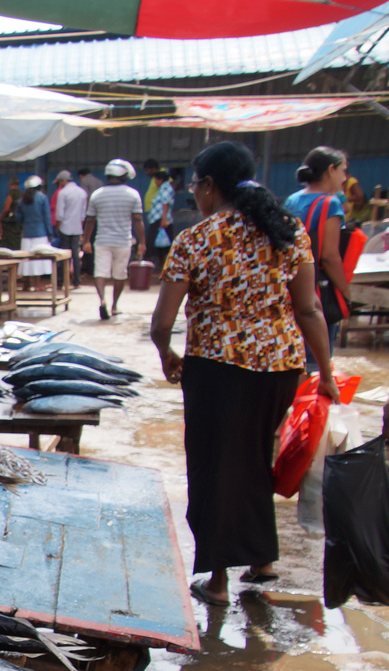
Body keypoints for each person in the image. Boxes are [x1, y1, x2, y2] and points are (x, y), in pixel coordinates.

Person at [150, 141, 341, 607]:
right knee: (257, 457)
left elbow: (161, 321)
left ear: (210, 186)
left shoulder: (195, 239)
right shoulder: (289, 232)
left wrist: (167, 353)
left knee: (216, 467)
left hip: (216, 369)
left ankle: (217, 580)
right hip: (280, 368)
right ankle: (262, 560)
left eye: (195, 186)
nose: (195, 194)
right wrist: (328, 371)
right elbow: (310, 309)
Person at [284, 146, 350, 370]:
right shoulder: (330, 203)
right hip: (317, 293)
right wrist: (346, 291)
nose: (345, 177)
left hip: (290, 290)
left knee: (295, 359)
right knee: (316, 363)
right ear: (331, 170)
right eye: (343, 170)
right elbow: (330, 257)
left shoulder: (292, 200)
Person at [83, 158, 145, 320]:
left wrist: (86, 241)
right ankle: (115, 306)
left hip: (102, 240)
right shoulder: (133, 194)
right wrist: (142, 242)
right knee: (119, 274)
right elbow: (138, 219)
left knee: (100, 272)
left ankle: (102, 300)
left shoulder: (97, 195)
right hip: (123, 241)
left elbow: (90, 220)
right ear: (124, 176)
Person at [17, 175, 54, 285]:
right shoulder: (42, 198)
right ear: (39, 186)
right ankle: (38, 285)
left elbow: (19, 218)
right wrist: (50, 233)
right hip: (40, 233)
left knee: (26, 259)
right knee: (39, 259)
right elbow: (47, 217)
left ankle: (26, 285)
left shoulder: (21, 200)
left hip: (27, 233)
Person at [54, 169, 88, 287]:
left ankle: (60, 281)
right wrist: (81, 228)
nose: (59, 184)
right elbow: (83, 213)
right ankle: (77, 281)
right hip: (77, 228)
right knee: (75, 255)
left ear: (64, 180)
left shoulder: (63, 193)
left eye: (59, 182)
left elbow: (60, 213)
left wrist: (57, 227)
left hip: (65, 227)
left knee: (64, 255)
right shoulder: (82, 192)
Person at [145, 162, 175, 270]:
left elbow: (165, 203)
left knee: (154, 244)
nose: (155, 182)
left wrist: (163, 219)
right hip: (157, 219)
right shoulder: (163, 187)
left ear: (160, 180)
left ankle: (151, 268)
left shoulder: (165, 187)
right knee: (161, 247)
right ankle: (161, 267)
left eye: (156, 180)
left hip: (160, 220)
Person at [0, 175, 22, 248]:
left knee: (9, 245)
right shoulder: (23, 194)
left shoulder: (11, 193)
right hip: (20, 223)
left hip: (10, 224)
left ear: (10, 184)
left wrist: (1, 218)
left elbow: (6, 209)